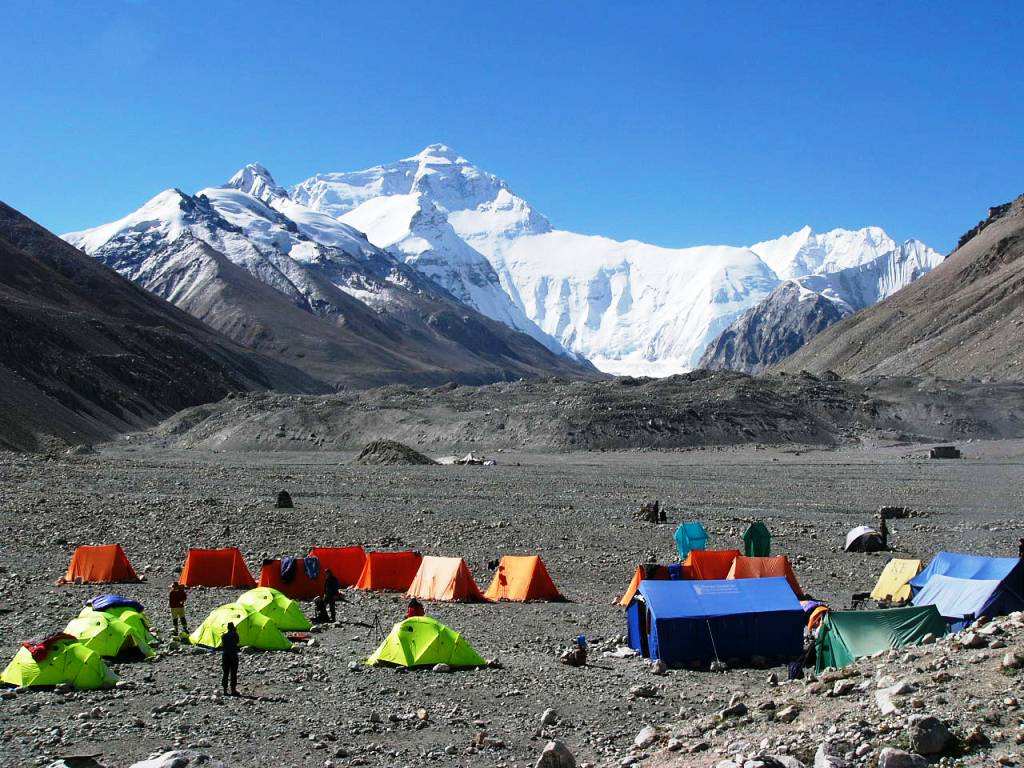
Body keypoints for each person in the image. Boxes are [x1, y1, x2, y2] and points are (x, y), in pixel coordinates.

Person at [221, 622, 239, 696]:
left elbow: (223, 645)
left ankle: (225, 690)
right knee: (233, 673)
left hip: (225, 655)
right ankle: (233, 690)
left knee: (225, 673)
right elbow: (237, 642)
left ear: (228, 628)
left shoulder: (224, 636)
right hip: (233, 655)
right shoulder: (235, 635)